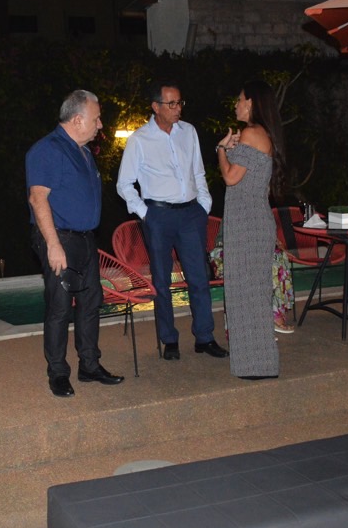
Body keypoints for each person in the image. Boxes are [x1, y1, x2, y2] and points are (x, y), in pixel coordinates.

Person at [116, 82, 227, 361]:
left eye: (180, 103)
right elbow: (124, 184)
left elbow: (198, 172)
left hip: (191, 214)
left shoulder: (188, 132)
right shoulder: (139, 139)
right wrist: (146, 213)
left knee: (199, 277)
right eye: (172, 104)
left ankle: (204, 337)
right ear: (156, 107)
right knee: (162, 281)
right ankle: (169, 340)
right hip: (159, 215)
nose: (178, 108)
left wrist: (203, 205)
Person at [26, 90, 125, 398]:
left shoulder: (82, 151)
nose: (100, 125)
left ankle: (89, 365)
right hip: (60, 238)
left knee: (90, 303)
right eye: (96, 119)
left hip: (84, 238)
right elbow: (37, 198)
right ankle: (57, 373)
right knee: (59, 307)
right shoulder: (48, 149)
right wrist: (53, 245)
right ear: (78, 119)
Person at [216, 79, 287, 379]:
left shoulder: (252, 132)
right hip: (251, 220)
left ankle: (257, 364)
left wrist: (221, 149)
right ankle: (255, 362)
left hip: (248, 223)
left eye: (240, 99)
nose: (236, 104)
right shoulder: (260, 134)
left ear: (252, 103)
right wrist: (234, 148)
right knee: (251, 294)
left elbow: (231, 178)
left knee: (247, 295)